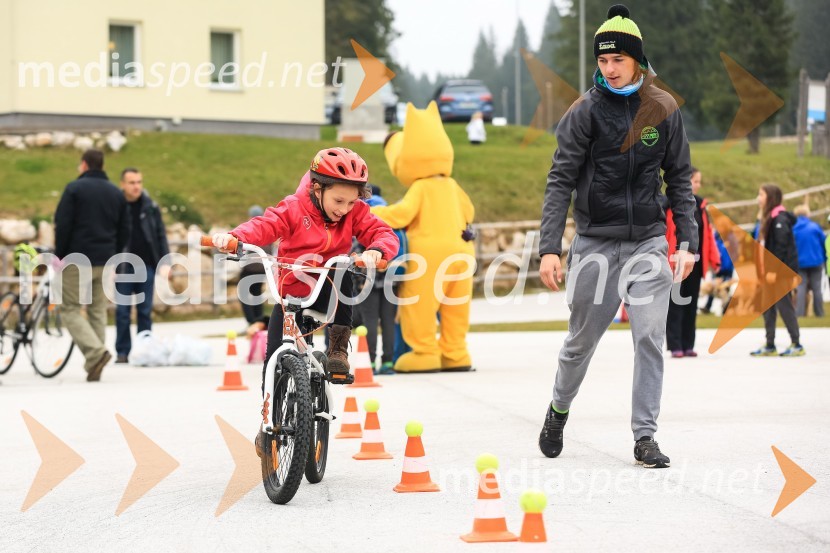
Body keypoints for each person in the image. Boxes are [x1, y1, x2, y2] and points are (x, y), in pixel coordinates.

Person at [537, 4, 698, 469]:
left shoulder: (664, 109)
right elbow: (560, 179)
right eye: (603, 61)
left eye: (618, 60)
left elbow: (680, 180)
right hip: (595, 242)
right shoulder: (584, 110)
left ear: (638, 61)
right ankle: (558, 409)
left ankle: (645, 436)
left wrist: (685, 243)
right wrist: (550, 247)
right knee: (580, 341)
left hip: (649, 239)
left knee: (649, 335)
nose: (609, 68)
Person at [211, 148, 398, 386]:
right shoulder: (294, 208)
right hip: (291, 293)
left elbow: (382, 232)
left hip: (328, 292)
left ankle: (338, 349)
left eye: (351, 202)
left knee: (342, 268)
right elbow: (266, 225)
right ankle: (270, 417)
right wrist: (235, 237)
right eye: (338, 201)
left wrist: (377, 250)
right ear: (317, 189)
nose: (344, 209)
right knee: (273, 359)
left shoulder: (355, 212)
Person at [54, 149, 129, 381]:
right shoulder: (116, 193)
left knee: (69, 309)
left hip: (78, 259)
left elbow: (63, 224)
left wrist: (60, 256)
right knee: (97, 310)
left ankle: (95, 353)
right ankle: (95, 364)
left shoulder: (74, 189)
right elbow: (124, 230)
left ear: (84, 165)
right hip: (106, 259)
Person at [114, 168, 171, 364]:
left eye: (139, 182)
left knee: (145, 311)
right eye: (132, 182)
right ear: (122, 184)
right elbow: (110, 237)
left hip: (146, 265)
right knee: (122, 311)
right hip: (123, 267)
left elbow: (160, 236)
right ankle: (122, 352)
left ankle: (144, 351)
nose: (136, 186)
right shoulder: (116, 206)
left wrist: (165, 262)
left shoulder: (150, 206)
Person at [665, 167, 720, 357]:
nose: (698, 185)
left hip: (695, 264)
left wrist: (715, 259)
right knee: (675, 304)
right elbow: (665, 233)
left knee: (691, 304)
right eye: (695, 181)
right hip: (675, 262)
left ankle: (688, 344)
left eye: (698, 181)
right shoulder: (670, 204)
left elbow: (708, 236)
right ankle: (675, 345)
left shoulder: (701, 206)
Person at [750, 185, 804, 357]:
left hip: (780, 271)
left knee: (784, 305)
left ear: (770, 197)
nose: (758, 198)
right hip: (768, 271)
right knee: (768, 306)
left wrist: (774, 270)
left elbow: (781, 247)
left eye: (761, 194)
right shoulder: (768, 218)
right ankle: (770, 344)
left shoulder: (779, 218)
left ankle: (796, 344)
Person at [354, 185, 400, 375]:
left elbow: (356, 250)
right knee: (388, 321)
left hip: (368, 279)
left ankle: (370, 361)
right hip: (392, 279)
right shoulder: (394, 217)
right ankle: (388, 361)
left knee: (370, 320)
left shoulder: (363, 217)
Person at [237, 205, 274, 328]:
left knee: (243, 293)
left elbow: (243, 248)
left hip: (250, 268)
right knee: (257, 294)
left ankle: (251, 322)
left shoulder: (252, 227)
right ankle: (259, 321)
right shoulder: (268, 228)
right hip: (263, 268)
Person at [792, 205, 826, 317]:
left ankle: (799, 313)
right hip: (816, 261)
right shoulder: (815, 227)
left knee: (801, 288)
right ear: (807, 214)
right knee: (817, 288)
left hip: (800, 263)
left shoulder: (793, 228)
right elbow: (823, 242)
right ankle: (819, 313)